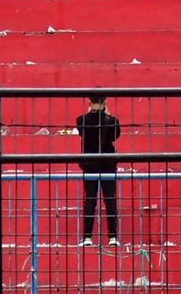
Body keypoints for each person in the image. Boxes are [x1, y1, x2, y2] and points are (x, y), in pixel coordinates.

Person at [75, 94, 120, 247]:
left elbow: (83, 134)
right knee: (110, 199)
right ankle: (113, 237)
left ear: (88, 100)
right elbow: (115, 137)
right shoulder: (113, 121)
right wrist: (108, 116)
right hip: (108, 164)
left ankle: (87, 237)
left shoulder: (81, 120)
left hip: (90, 165)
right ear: (106, 101)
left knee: (90, 199)